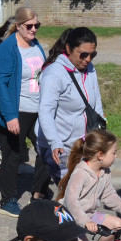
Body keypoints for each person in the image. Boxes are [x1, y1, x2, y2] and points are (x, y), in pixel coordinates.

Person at [0, 7, 48, 218]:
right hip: (17, 109)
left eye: (36, 26)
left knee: (45, 149)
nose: (34, 30)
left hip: (37, 108)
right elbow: (0, 83)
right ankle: (7, 200)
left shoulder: (35, 44)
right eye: (29, 26)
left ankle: (39, 192)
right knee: (13, 155)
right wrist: (10, 116)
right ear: (18, 25)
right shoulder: (7, 48)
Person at [38, 27, 104, 183]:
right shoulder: (54, 73)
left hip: (85, 143)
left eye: (92, 55)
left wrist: (100, 135)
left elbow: (96, 104)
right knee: (73, 196)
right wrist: (55, 142)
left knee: (86, 192)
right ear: (68, 48)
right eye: (83, 54)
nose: (87, 59)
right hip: (62, 146)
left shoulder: (90, 69)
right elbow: (45, 111)